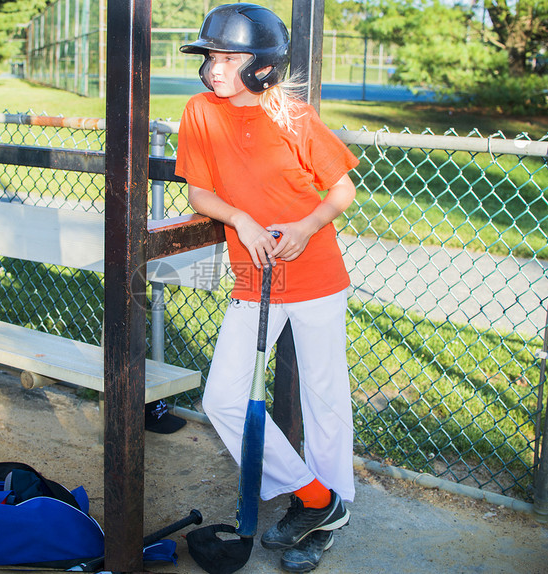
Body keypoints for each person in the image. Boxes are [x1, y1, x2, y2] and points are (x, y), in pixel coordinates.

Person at [175, 4, 359, 573]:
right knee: (223, 397)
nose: (214, 68)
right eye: (210, 57)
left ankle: (333, 511)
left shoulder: (292, 115)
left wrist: (304, 228)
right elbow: (198, 192)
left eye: (228, 58)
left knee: (325, 397)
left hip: (316, 274)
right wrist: (241, 219)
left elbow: (342, 190)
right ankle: (313, 497)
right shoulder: (200, 112)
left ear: (261, 65)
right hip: (254, 277)